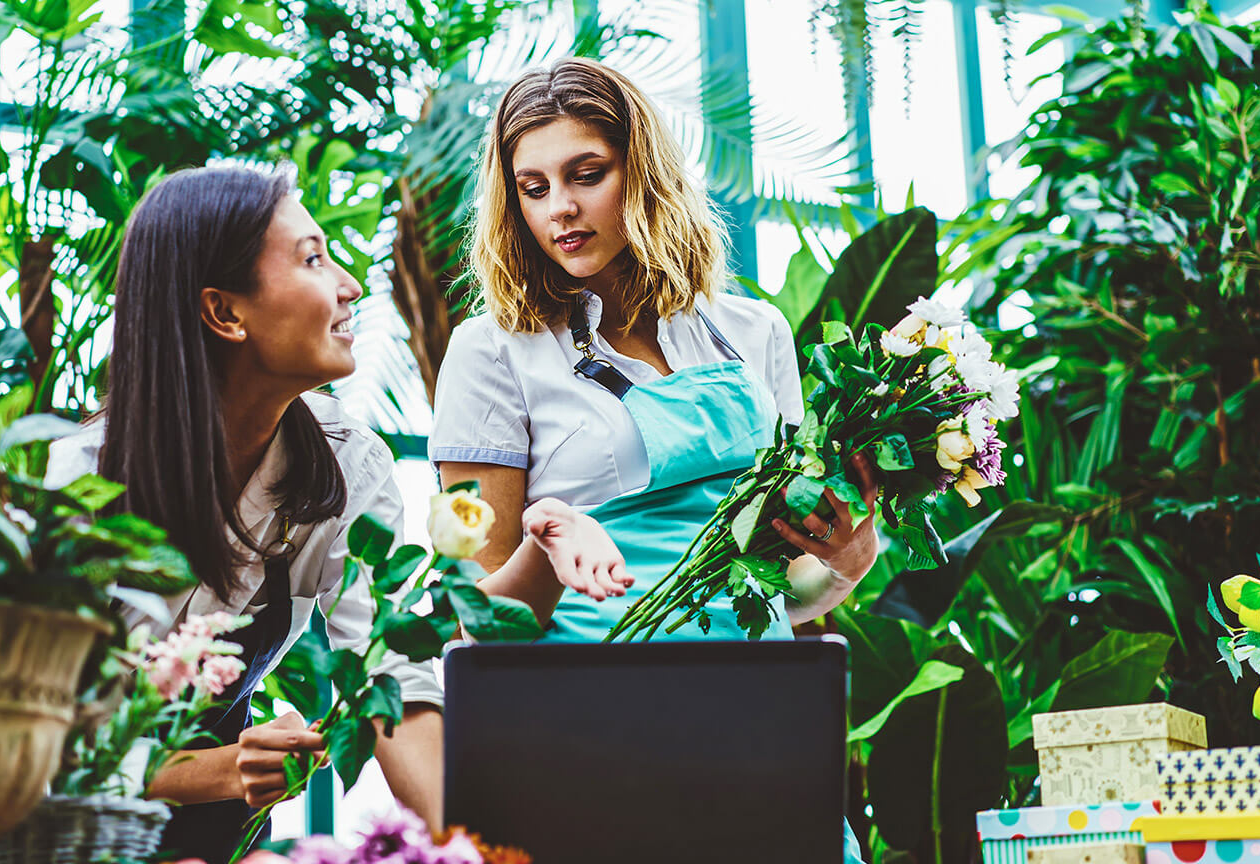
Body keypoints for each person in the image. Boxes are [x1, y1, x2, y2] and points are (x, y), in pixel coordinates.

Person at [46, 163, 627, 863]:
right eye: (313, 258)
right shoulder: (82, 488)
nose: (351, 285)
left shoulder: (347, 461)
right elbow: (41, 744)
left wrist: (470, 849)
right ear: (225, 312)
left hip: (221, 839)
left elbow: (391, 675)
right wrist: (223, 769)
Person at [428, 58, 879, 861]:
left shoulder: (753, 333)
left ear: (644, 173)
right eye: (532, 188)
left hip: (759, 736)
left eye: (586, 174)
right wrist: (549, 534)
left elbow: (779, 595)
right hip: (586, 745)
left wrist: (847, 560)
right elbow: (481, 619)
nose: (560, 208)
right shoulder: (492, 352)